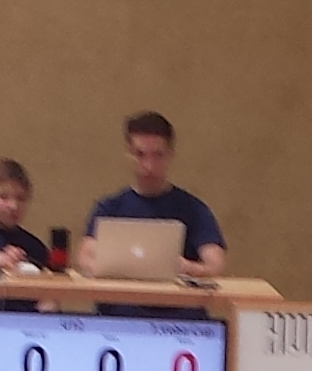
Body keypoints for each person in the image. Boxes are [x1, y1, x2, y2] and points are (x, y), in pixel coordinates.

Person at [85, 112, 227, 273]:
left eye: (158, 155)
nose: (149, 165)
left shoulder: (193, 209)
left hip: (173, 289)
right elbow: (85, 257)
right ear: (128, 154)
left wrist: (188, 267)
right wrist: (115, 270)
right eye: (140, 155)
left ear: (170, 155)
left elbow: (216, 264)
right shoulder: (109, 207)